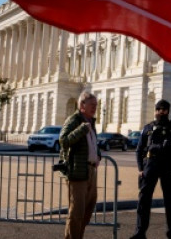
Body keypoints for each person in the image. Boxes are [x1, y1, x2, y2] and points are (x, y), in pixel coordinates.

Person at [130, 99, 171, 239]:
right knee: (143, 200)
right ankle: (140, 232)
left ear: (168, 111)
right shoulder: (148, 128)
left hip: (169, 167)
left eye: (163, 109)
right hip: (150, 166)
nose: (160, 112)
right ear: (155, 111)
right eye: (158, 109)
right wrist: (140, 168)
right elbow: (139, 150)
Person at [59, 91, 100, 239]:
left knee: (88, 209)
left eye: (96, 105)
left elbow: (93, 144)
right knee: (77, 212)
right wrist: (81, 129)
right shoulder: (74, 120)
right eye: (92, 105)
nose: (95, 107)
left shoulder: (91, 121)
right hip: (77, 172)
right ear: (82, 105)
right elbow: (63, 140)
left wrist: (98, 155)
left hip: (90, 170)